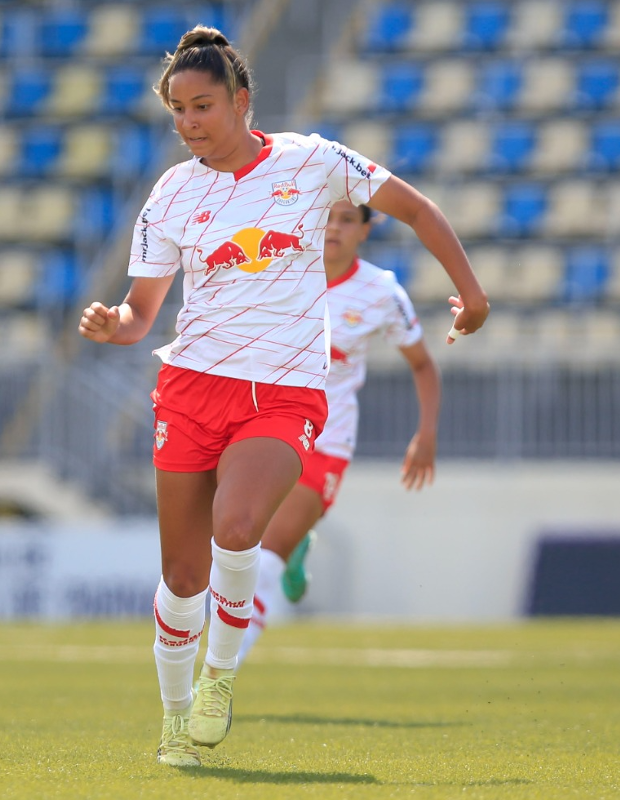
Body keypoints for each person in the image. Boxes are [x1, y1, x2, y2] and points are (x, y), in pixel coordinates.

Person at [77, 26, 488, 767]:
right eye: (177, 109)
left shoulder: (312, 161)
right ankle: (174, 722)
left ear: (240, 101)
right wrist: (118, 325)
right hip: (191, 388)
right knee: (181, 577)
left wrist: (470, 292)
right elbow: (144, 311)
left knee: (237, 530)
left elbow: (419, 209)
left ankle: (220, 679)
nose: (189, 122)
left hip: (285, 392)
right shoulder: (172, 192)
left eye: (202, 105)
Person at [235, 201, 441, 668]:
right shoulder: (276, 272)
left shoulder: (381, 292)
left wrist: (425, 434)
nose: (334, 227)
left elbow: (423, 364)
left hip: (327, 439)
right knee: (234, 551)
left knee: (263, 559)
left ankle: (219, 677)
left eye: (348, 219)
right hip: (266, 428)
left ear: (366, 230)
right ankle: (295, 543)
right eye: (326, 216)